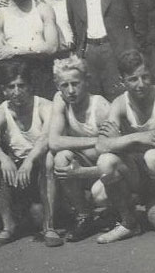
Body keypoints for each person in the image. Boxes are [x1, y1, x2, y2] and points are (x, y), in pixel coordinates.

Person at [93, 50, 155, 245]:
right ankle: (128, 222)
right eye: (133, 79)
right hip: (147, 168)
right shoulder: (119, 103)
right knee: (105, 163)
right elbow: (101, 145)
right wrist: (139, 137)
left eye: (145, 77)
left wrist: (121, 140)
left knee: (154, 157)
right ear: (122, 81)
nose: (141, 84)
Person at [0, 60, 55, 248]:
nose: (17, 91)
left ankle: (49, 226)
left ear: (30, 87)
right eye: (11, 87)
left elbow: (46, 139)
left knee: (49, 159)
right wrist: (3, 158)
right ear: (4, 90)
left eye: (21, 86)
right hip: (18, 171)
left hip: (40, 167)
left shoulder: (45, 106)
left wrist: (30, 160)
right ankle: (8, 226)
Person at [66, 0, 147, 100]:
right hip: (89, 55)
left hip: (118, 52)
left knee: (123, 99)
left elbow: (140, 24)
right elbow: (77, 33)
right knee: (94, 101)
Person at [46, 56, 112, 242]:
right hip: (87, 163)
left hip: (108, 170)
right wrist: (96, 141)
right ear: (58, 86)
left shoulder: (100, 106)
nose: (71, 90)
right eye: (65, 85)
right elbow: (54, 142)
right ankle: (84, 215)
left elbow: (118, 155)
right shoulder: (60, 99)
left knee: (100, 195)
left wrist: (83, 170)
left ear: (87, 81)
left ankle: (119, 211)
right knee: (60, 157)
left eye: (75, 84)